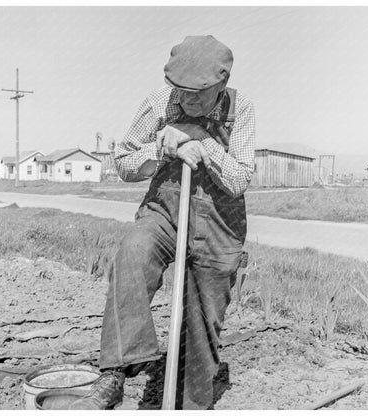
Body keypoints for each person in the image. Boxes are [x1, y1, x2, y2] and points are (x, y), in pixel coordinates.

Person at [70, 35, 255, 410]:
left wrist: (201, 140)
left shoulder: (243, 109)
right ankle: (118, 368)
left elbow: (238, 179)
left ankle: (190, 404)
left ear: (222, 85)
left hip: (220, 221)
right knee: (132, 256)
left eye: (199, 94)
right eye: (181, 92)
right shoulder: (157, 103)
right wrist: (162, 147)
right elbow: (122, 162)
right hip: (165, 212)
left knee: (203, 317)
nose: (188, 100)